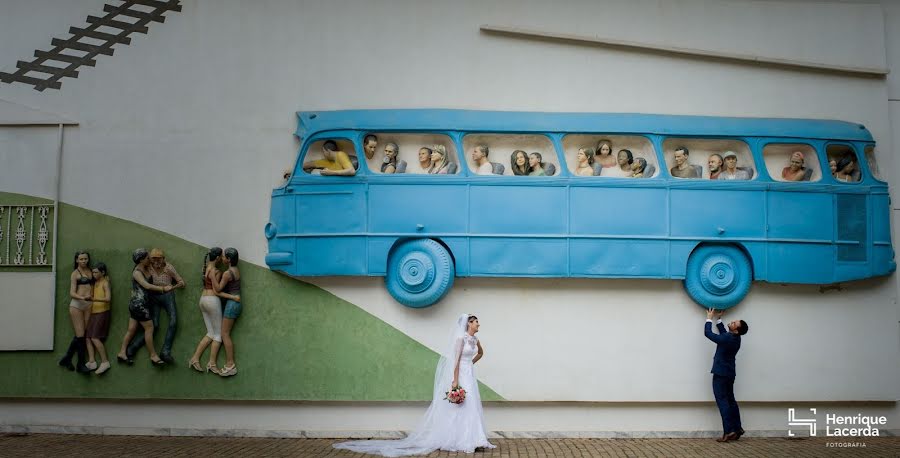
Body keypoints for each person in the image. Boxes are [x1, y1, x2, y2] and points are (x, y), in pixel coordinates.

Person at [334, 314, 495, 456]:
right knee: (462, 405)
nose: (478, 324)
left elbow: (480, 353)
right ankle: (461, 439)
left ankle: (475, 438)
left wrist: (471, 364)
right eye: (476, 322)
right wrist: (454, 380)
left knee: (472, 404)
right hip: (460, 374)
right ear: (468, 324)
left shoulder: (474, 339)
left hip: (469, 374)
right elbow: (456, 360)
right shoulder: (461, 339)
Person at [125, 248, 185, 364]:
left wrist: (176, 285)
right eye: (153, 259)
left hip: (167, 295)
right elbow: (142, 281)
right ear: (149, 259)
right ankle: (133, 347)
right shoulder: (147, 267)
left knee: (173, 321)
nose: (156, 261)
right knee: (154, 325)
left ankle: (165, 351)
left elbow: (181, 281)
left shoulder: (169, 268)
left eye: (159, 259)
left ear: (164, 259)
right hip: (153, 296)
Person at [116, 249, 170, 366]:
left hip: (140, 304)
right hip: (139, 305)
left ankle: (122, 352)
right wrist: (163, 288)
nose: (149, 259)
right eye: (147, 258)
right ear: (141, 260)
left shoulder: (145, 268)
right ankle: (153, 355)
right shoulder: (137, 272)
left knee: (131, 330)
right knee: (149, 328)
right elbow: (146, 285)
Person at [704, 308, 749, 443]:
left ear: (735, 330)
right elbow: (724, 334)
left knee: (723, 402)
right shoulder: (735, 338)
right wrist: (719, 320)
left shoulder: (728, 338)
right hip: (729, 373)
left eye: (735, 323)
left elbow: (708, 333)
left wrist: (709, 318)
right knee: (730, 401)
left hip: (720, 374)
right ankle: (737, 428)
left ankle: (729, 431)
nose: (733, 322)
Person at [189, 247, 225, 374]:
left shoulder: (204, 268)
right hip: (212, 301)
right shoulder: (216, 271)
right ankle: (212, 363)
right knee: (218, 335)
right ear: (217, 258)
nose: (222, 258)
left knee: (210, 333)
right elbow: (217, 290)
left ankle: (195, 358)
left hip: (202, 300)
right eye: (221, 256)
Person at [58, 251, 94, 373]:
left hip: (89, 305)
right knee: (80, 336)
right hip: (77, 305)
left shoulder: (91, 271)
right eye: (81, 259)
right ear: (77, 260)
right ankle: (80, 364)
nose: (84, 261)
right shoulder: (75, 274)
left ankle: (67, 358)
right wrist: (83, 297)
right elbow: (72, 293)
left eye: (85, 259)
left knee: (81, 334)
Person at [216, 247, 242, 377]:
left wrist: (212, 277)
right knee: (226, 333)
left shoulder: (227, 273)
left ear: (229, 259)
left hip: (232, 304)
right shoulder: (236, 270)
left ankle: (231, 365)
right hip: (236, 304)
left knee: (224, 334)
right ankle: (230, 364)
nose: (222, 258)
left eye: (224, 257)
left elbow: (218, 290)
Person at [85, 263, 111, 375]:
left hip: (102, 312)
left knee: (95, 338)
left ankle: (105, 362)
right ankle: (92, 361)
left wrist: (93, 299)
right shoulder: (95, 283)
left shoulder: (105, 283)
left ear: (103, 272)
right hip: (94, 313)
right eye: (93, 272)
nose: (93, 274)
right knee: (88, 337)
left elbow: (108, 299)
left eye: (96, 272)